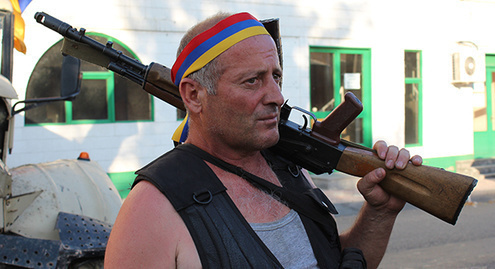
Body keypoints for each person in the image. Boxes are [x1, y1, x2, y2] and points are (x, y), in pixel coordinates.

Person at [104, 12, 423, 269]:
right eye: (252, 80)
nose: (277, 96)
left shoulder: (288, 169)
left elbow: (331, 259)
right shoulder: (151, 209)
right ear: (194, 95)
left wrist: (380, 212)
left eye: (276, 76)